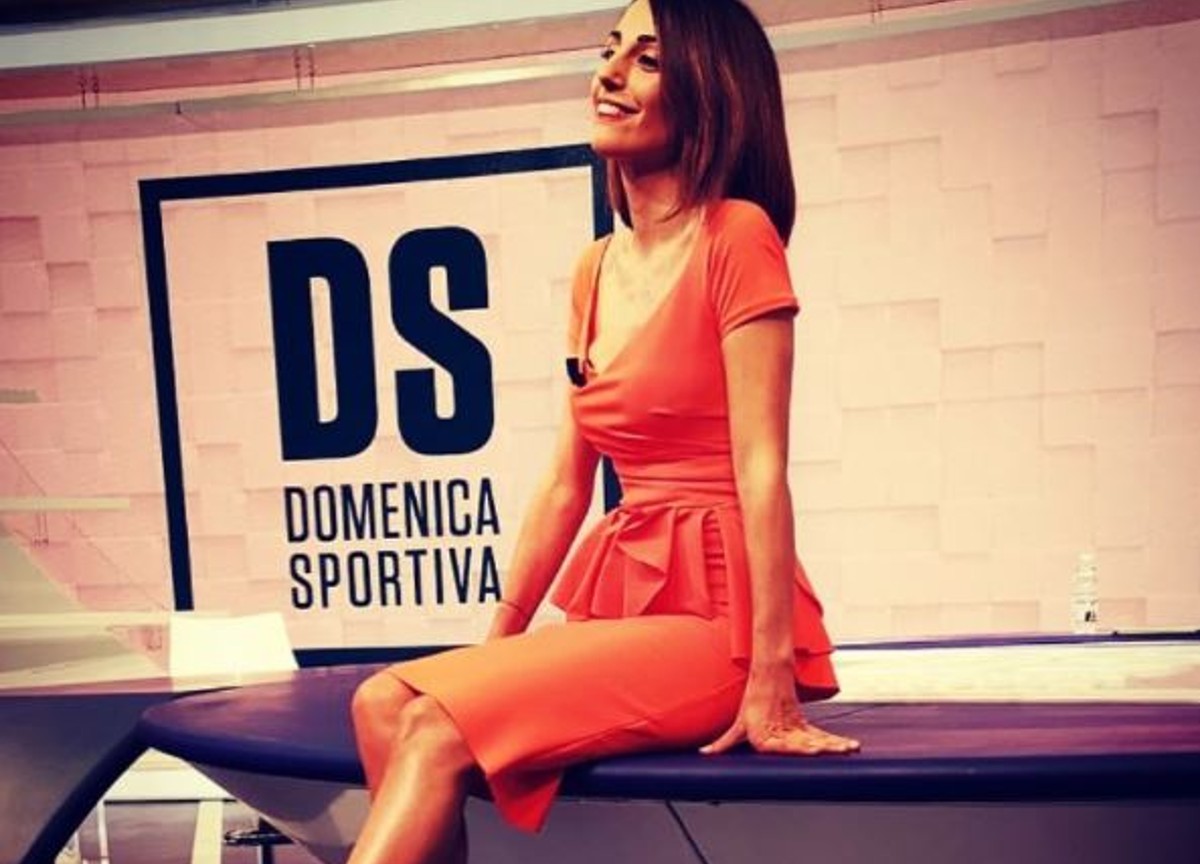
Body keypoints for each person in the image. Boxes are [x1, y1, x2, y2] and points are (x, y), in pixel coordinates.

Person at [348, 0, 860, 861]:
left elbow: (762, 466)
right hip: (631, 602)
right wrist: (497, 651)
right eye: (610, 50)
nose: (610, 74)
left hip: (724, 623)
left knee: (434, 729)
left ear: (710, 94)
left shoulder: (737, 236)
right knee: (381, 703)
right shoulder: (594, 268)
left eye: (648, 60)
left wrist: (773, 677)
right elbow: (565, 483)